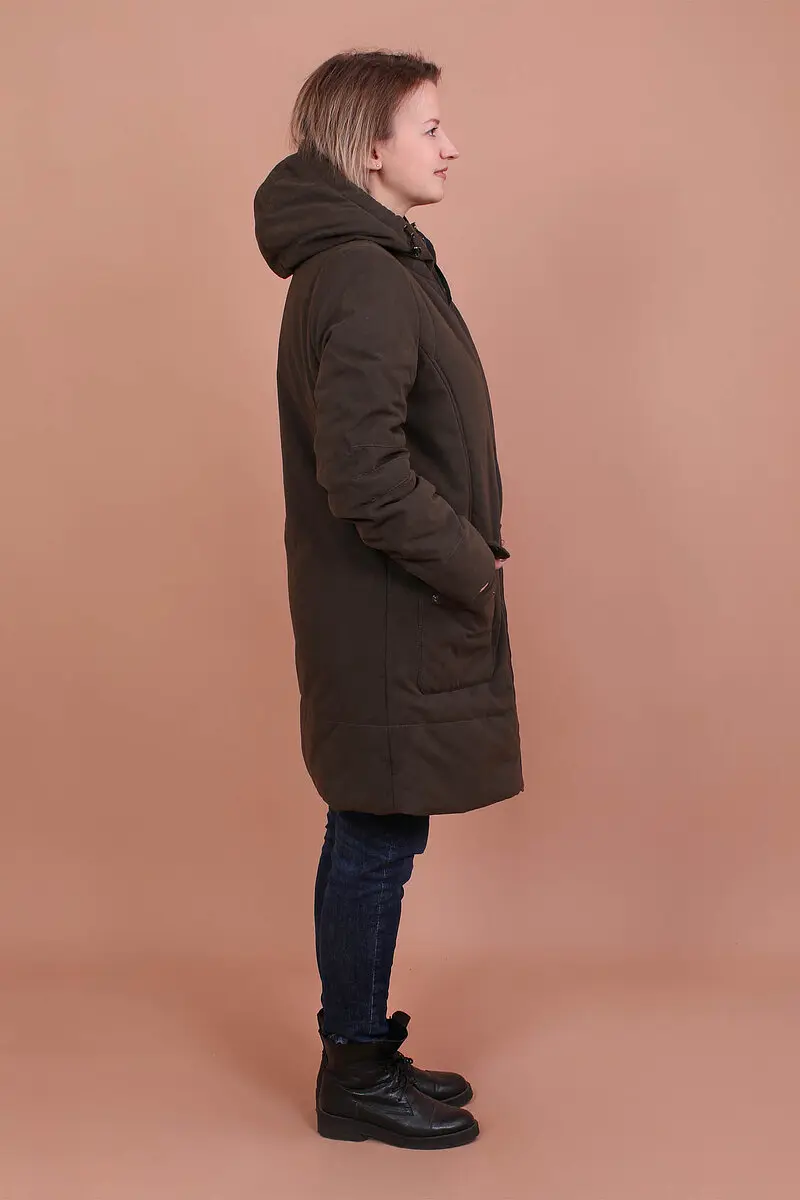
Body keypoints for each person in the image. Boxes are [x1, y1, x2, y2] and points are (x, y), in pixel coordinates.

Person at [253, 48, 523, 1150]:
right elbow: (363, 474)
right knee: (373, 832)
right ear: (371, 147)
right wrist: (467, 561)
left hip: (379, 612)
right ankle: (355, 1072)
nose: (450, 147)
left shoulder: (369, 262)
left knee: (374, 825)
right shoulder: (364, 273)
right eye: (430, 128)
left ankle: (359, 1051)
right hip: (385, 614)